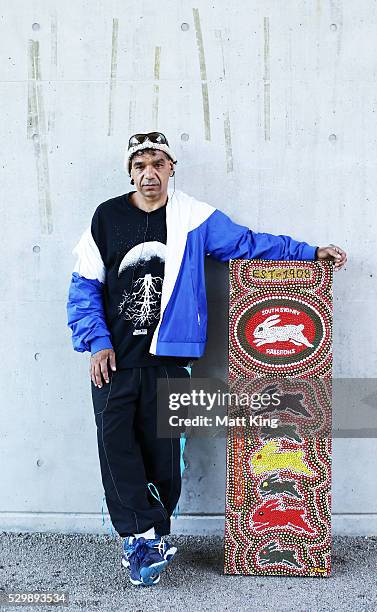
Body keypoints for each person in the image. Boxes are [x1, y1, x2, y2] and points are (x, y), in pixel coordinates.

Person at [66, 131, 347, 586]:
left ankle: (152, 533)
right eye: (140, 165)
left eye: (157, 163)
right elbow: (84, 285)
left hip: (170, 359)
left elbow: (247, 244)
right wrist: (96, 341)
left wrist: (310, 253)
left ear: (171, 167)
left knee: (164, 456)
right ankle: (140, 538)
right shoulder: (106, 217)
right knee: (116, 448)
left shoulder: (194, 217)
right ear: (129, 171)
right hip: (113, 358)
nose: (149, 173)